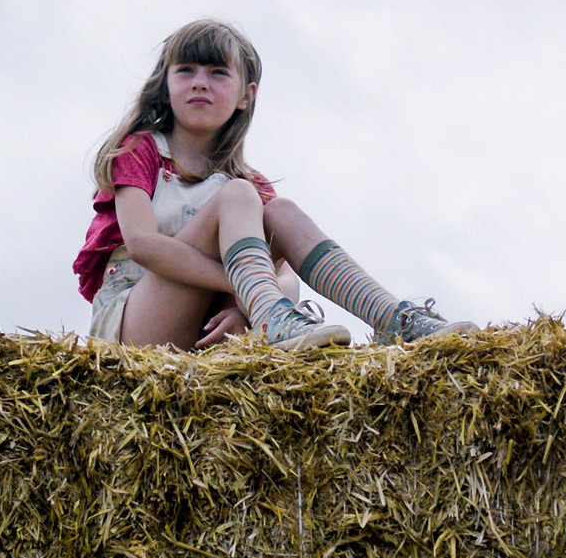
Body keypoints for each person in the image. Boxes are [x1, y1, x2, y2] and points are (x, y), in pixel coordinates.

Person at [74, 19, 478, 351]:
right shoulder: (140, 151)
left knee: (279, 211)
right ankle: (273, 318)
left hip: (206, 327)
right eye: (186, 71)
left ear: (245, 96)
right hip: (137, 326)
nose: (200, 83)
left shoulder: (249, 186)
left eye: (217, 73)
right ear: (166, 84)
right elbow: (143, 244)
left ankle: (393, 317)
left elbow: (286, 276)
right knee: (238, 199)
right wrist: (246, 287)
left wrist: (247, 305)